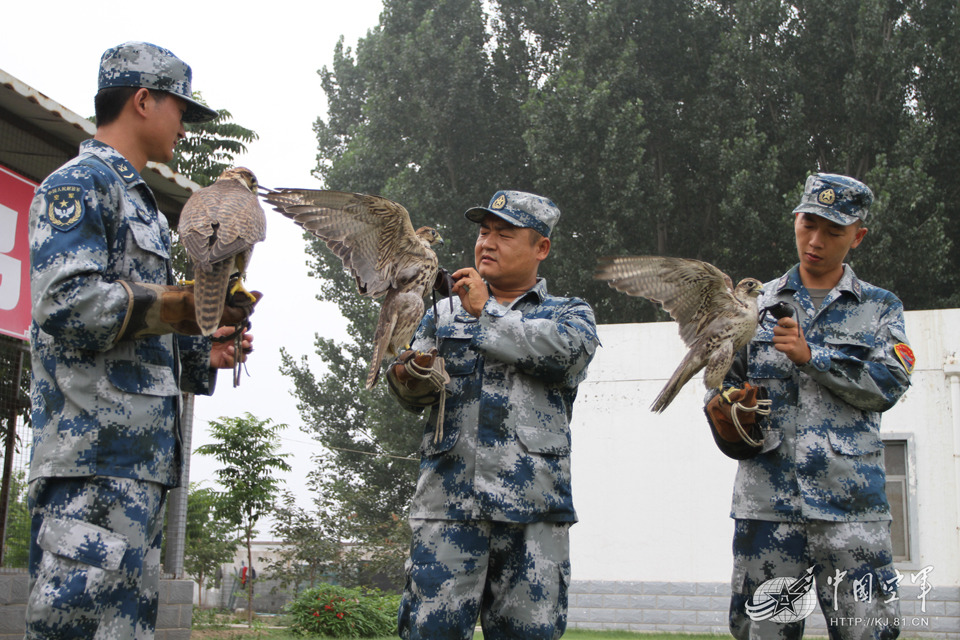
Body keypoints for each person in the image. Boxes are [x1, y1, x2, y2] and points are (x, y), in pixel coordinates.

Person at [26, 42, 256, 639]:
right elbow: (64, 302)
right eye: (180, 109)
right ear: (143, 100)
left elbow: (140, 338)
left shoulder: (145, 205)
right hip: (91, 461)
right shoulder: (79, 185)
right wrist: (173, 304)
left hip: (138, 466)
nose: (184, 124)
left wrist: (206, 348)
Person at [706, 173, 914, 640]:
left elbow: (890, 382)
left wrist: (811, 357)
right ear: (795, 220)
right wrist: (727, 409)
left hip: (851, 511)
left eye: (833, 231)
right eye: (808, 225)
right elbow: (722, 382)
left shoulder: (880, 308)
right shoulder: (754, 304)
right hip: (768, 509)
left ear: (857, 236)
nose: (815, 241)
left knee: (868, 634)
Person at [386, 191, 600, 640]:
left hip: (533, 513)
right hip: (448, 508)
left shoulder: (569, 314)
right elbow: (412, 397)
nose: (487, 243)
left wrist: (487, 311)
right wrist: (410, 375)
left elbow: (564, 358)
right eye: (484, 232)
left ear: (541, 247)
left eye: (504, 234)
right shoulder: (441, 314)